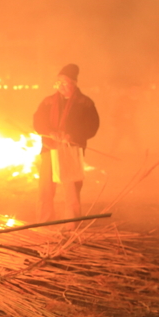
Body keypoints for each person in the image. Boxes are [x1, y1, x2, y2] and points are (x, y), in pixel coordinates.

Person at [33, 63, 100, 222]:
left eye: (65, 82)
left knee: (71, 190)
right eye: (58, 82)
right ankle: (45, 222)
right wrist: (50, 132)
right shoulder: (48, 102)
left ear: (74, 84)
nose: (61, 86)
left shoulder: (85, 103)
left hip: (71, 150)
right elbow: (38, 121)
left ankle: (71, 224)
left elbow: (92, 126)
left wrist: (72, 136)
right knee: (45, 189)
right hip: (50, 149)